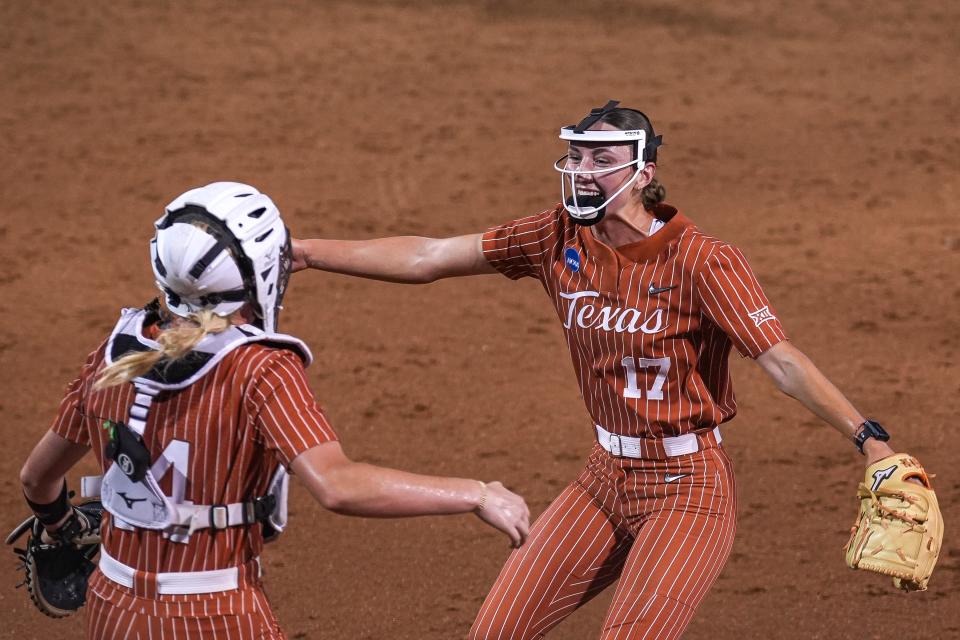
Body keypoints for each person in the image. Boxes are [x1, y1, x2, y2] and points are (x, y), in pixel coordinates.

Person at [290, 100, 909, 639]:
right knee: (494, 632)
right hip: (604, 477)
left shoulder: (703, 261)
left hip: (687, 489)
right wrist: (309, 253)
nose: (584, 173)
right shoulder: (554, 236)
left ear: (644, 173)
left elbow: (780, 360)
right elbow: (429, 256)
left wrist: (870, 440)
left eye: (602, 160)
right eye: (578, 158)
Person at [17, 181, 530, 639]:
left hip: (113, 606)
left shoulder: (113, 353)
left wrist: (61, 526)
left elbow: (37, 480)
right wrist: (476, 493)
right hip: (214, 613)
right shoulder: (259, 369)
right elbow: (339, 486)